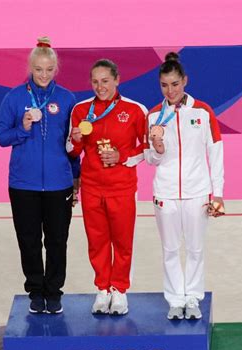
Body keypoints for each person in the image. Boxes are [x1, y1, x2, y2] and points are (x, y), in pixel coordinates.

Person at [0, 37, 79, 315]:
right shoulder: (15, 97)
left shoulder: (67, 99)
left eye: (49, 69)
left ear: (56, 69)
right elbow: (1, 137)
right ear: (30, 68)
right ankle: (35, 289)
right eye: (38, 69)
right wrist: (22, 128)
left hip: (59, 184)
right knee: (29, 240)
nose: (44, 75)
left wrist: (76, 179)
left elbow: (72, 146)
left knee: (57, 240)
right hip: (23, 185)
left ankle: (54, 292)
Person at [145, 52, 224, 321]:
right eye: (165, 85)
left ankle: (192, 298)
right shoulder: (154, 115)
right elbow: (152, 160)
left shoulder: (203, 111)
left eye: (175, 84)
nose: (171, 90)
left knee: (195, 248)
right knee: (169, 249)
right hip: (165, 192)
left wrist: (219, 193)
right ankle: (175, 299)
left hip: (197, 191)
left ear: (185, 81)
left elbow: (215, 153)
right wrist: (156, 146)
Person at [67, 59, 147, 315]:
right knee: (97, 241)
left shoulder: (135, 110)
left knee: (122, 242)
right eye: (95, 81)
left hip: (122, 187)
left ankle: (120, 290)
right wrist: (75, 140)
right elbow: (71, 151)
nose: (100, 87)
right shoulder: (81, 110)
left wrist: (121, 156)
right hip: (91, 187)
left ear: (117, 80)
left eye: (105, 81)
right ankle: (102, 289)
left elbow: (145, 148)